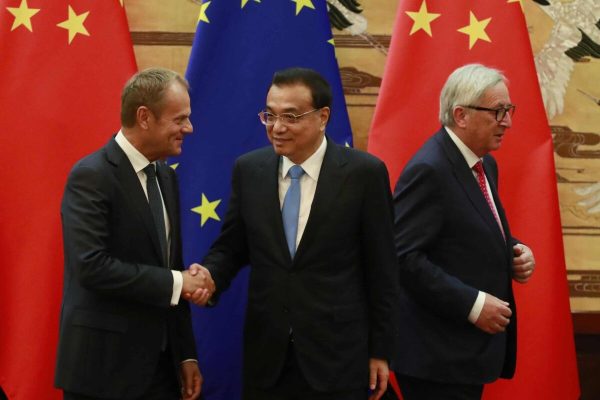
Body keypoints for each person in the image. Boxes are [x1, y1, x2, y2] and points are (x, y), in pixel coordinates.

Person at [188, 67, 398, 400]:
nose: (278, 128)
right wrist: (210, 275)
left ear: (323, 116)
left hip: (338, 358)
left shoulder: (364, 175)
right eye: (269, 116)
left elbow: (384, 269)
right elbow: (232, 246)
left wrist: (380, 350)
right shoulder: (249, 170)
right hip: (268, 358)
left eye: (291, 116)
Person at [55, 67, 214, 400]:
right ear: (144, 117)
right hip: (104, 372)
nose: (189, 127)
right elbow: (91, 266)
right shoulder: (92, 176)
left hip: (160, 370)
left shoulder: (165, 177)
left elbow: (172, 265)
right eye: (179, 119)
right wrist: (179, 283)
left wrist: (185, 352)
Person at [392, 63, 536, 400]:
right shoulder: (429, 169)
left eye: (509, 110)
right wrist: (472, 304)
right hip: (436, 359)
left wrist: (514, 249)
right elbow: (402, 256)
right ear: (461, 115)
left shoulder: (483, 163)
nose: (508, 122)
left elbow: (470, 226)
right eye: (498, 111)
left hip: (463, 355)